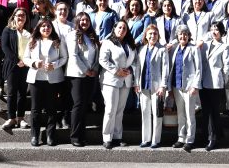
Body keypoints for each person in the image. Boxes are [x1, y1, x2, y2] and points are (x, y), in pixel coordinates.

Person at [23, 19, 68, 147]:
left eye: (48, 26)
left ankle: (50, 135)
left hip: (53, 79)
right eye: (43, 26)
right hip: (36, 79)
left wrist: (54, 65)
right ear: (38, 28)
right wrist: (33, 63)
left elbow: (64, 58)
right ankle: (35, 136)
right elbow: (25, 58)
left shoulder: (58, 42)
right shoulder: (32, 41)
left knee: (51, 109)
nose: (46, 28)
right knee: (35, 109)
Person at [99, 20, 138, 149]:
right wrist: (117, 71)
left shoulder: (130, 44)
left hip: (126, 80)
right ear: (114, 29)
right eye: (119, 27)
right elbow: (102, 60)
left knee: (120, 110)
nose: (122, 30)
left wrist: (130, 70)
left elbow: (135, 61)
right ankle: (107, 137)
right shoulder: (108, 42)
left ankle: (117, 137)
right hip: (111, 80)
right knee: (110, 109)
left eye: (124, 28)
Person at [66, 12, 99, 147]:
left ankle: (82, 135)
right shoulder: (73, 35)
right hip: (77, 75)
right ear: (78, 21)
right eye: (82, 20)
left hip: (90, 75)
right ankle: (74, 137)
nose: (85, 22)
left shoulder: (92, 36)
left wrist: (94, 70)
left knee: (85, 105)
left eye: (87, 20)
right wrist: (86, 70)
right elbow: (73, 55)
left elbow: (97, 56)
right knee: (78, 105)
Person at [135, 24, 169, 149]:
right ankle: (145, 139)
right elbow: (138, 67)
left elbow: (165, 68)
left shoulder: (162, 49)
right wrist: (136, 83)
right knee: (145, 112)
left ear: (158, 35)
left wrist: (163, 86)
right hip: (143, 85)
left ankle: (155, 140)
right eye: (150, 34)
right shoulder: (142, 49)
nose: (152, 36)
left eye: (155, 34)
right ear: (146, 36)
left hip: (157, 87)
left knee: (157, 113)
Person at [169, 25, 202, 152]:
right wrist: (170, 88)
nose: (183, 36)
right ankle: (181, 138)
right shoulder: (175, 49)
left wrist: (195, 85)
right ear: (177, 36)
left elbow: (199, 69)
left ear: (189, 36)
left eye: (185, 34)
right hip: (177, 86)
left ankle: (189, 139)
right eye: (180, 34)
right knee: (180, 114)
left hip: (189, 87)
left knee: (190, 114)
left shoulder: (194, 49)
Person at [200, 21, 229, 151]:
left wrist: (222, 80)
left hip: (216, 83)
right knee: (206, 111)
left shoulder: (224, 47)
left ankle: (212, 138)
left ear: (222, 32)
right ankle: (212, 135)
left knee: (214, 112)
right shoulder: (205, 45)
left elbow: (227, 67)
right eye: (212, 29)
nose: (214, 31)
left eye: (217, 29)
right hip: (203, 82)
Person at [1, 8, 31, 130]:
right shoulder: (8, 30)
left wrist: (26, 62)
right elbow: (5, 47)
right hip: (13, 65)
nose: (21, 17)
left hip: (25, 66)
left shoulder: (28, 32)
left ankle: (21, 118)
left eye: (23, 15)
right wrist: (17, 61)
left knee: (22, 93)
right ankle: (11, 118)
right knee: (12, 92)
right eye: (18, 15)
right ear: (13, 17)